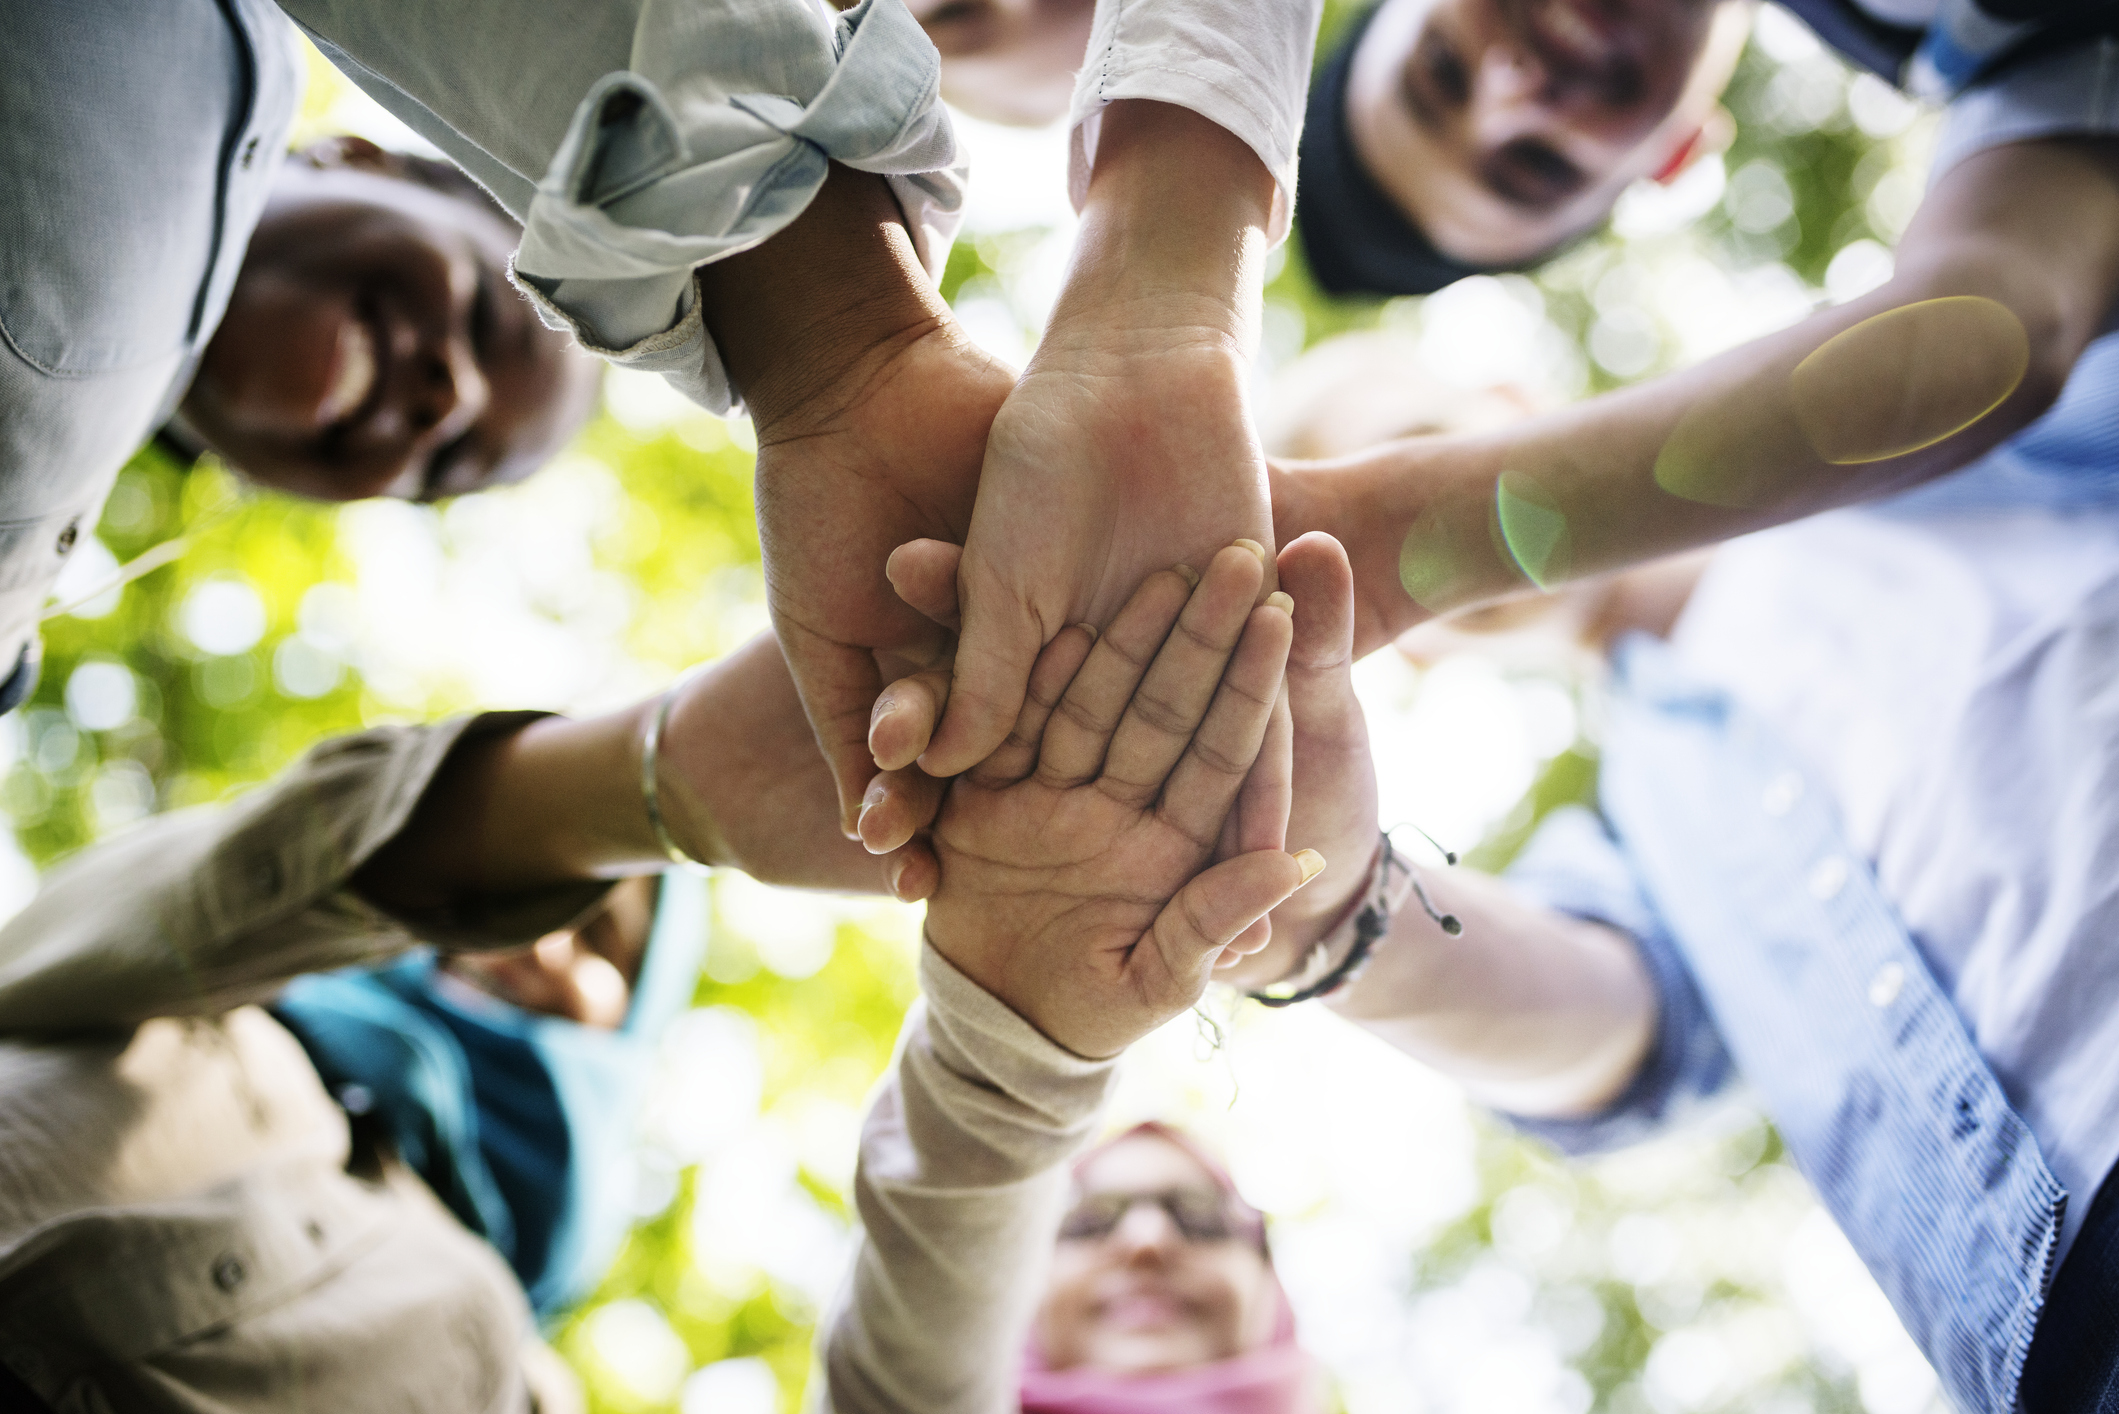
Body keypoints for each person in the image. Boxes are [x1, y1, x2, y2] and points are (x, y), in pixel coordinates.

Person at [0, 541, 1316, 1409]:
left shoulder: (505, 1372)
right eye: (542, 900)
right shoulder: (192, 999)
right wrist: (643, 784)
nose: (541, 947)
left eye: (607, 952)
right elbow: (88, 936)